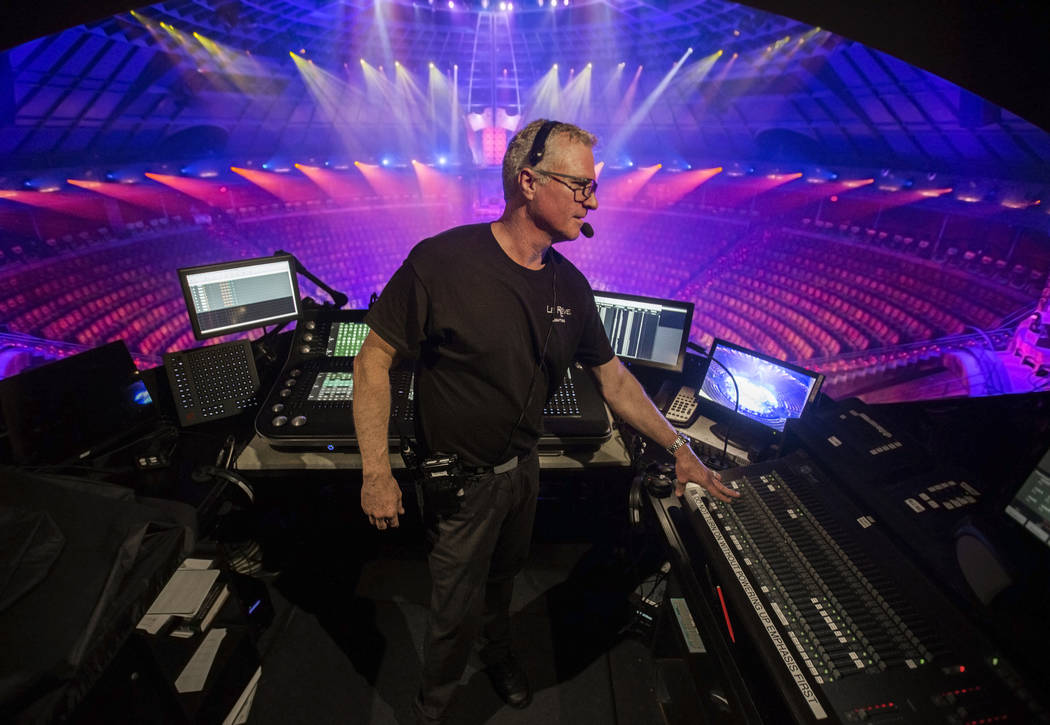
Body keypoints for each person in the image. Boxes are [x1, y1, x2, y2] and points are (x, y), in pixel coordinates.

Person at [353, 119, 739, 724]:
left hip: (520, 475)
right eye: (580, 185)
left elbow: (612, 379)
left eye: (592, 187)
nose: (592, 199)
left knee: (503, 582)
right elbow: (373, 358)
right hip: (458, 485)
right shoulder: (440, 262)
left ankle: (500, 651)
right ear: (528, 182)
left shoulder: (573, 287)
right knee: (452, 610)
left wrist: (677, 445)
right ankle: (433, 710)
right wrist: (376, 470)